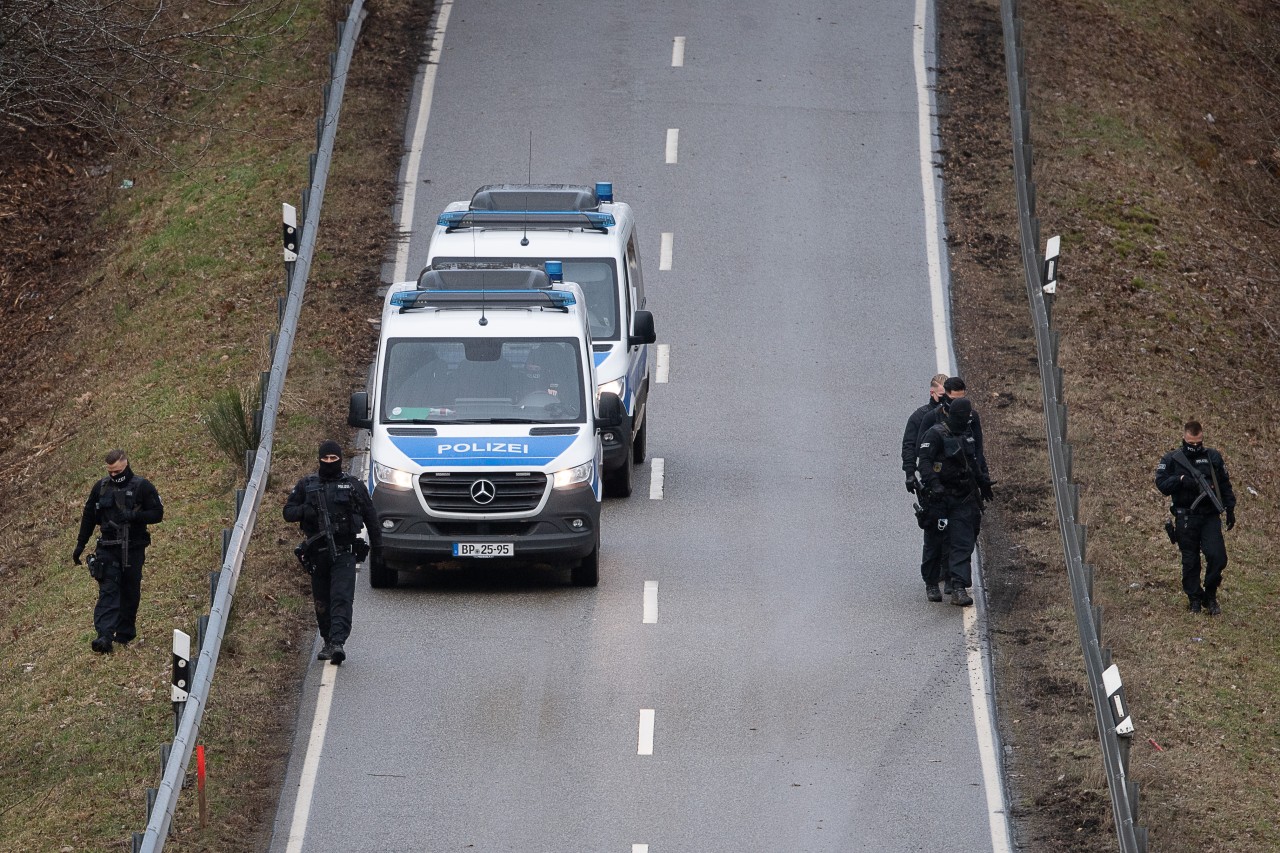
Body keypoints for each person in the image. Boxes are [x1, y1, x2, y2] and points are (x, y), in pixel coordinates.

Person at [283, 440, 382, 664]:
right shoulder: (306, 485)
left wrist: (379, 548)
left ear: (340, 460)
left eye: (333, 459)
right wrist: (306, 511)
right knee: (322, 601)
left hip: (345, 552)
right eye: (325, 459)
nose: (329, 462)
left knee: (342, 598)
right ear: (319, 459)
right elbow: (287, 512)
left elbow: (371, 517)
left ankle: (338, 642)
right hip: (317, 553)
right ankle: (328, 640)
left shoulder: (353, 486)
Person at [72, 449, 164, 653]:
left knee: (130, 592)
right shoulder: (101, 487)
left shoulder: (142, 486)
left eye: (117, 471)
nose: (113, 476)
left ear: (126, 465)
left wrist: (133, 516)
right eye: (110, 472)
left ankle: (124, 634)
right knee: (108, 590)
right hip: (107, 548)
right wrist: (80, 544)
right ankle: (104, 636)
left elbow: (157, 514)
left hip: (133, 548)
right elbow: (88, 516)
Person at [918, 397, 994, 606]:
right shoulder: (935, 434)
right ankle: (932, 582)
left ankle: (959, 587)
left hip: (963, 497)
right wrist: (934, 484)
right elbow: (924, 462)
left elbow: (974, 463)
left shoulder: (967, 436)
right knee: (935, 541)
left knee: (963, 542)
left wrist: (983, 482)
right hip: (939, 499)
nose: (968, 420)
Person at [1155, 421, 1236, 615]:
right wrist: (1181, 480)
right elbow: (1161, 484)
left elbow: (1224, 484)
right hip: (1185, 517)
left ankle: (1210, 593)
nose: (1195, 447)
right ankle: (1194, 598)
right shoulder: (1172, 459)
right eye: (1191, 443)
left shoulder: (1212, 457)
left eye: (1198, 442)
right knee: (1190, 562)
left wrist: (1230, 507)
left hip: (1209, 516)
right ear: (1184, 438)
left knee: (1218, 556)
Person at [903, 374, 950, 600]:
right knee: (933, 528)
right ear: (933, 392)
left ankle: (949, 571)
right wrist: (910, 473)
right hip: (929, 480)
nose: (945, 400)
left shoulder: (956, 417)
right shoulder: (922, 417)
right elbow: (911, 446)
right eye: (942, 395)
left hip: (951, 482)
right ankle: (931, 577)